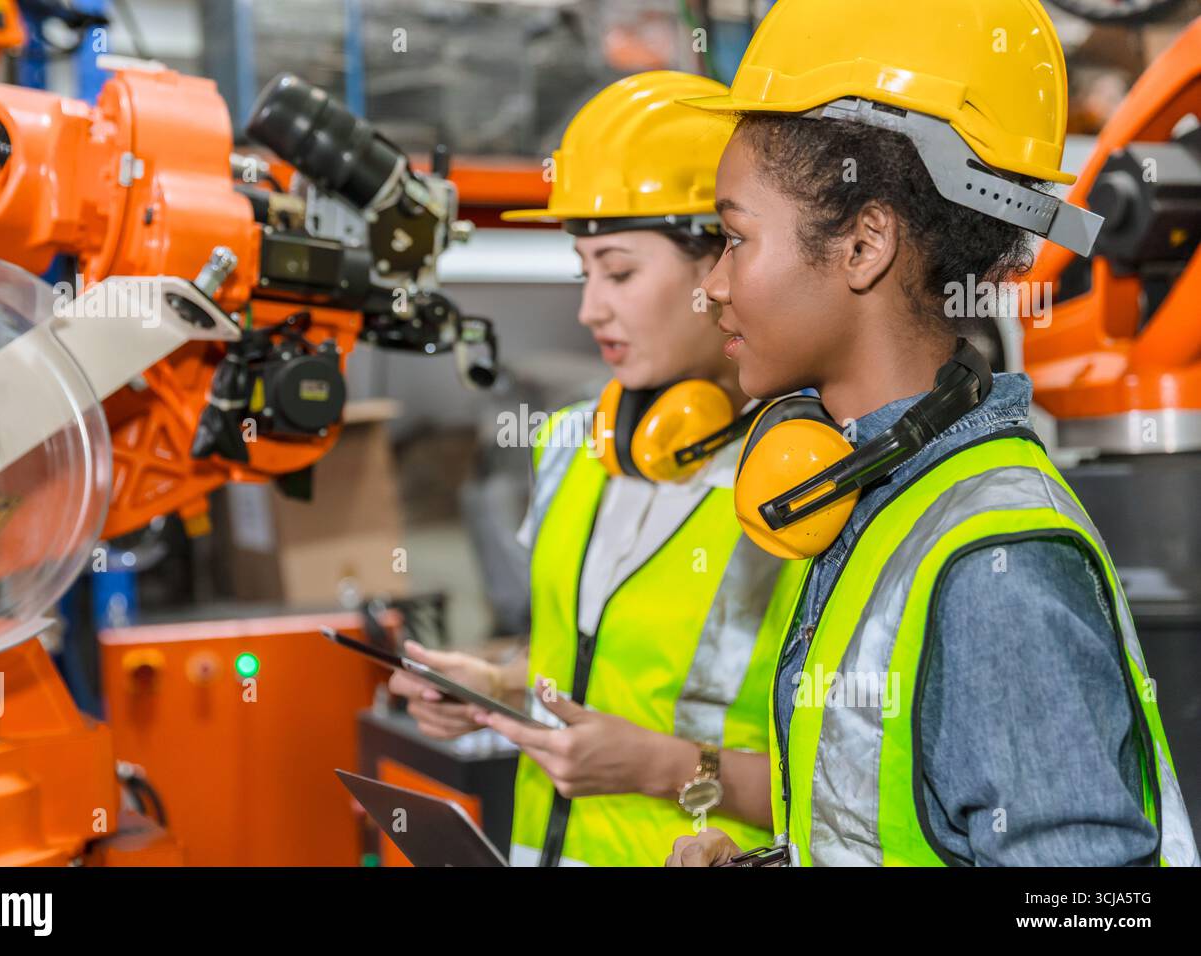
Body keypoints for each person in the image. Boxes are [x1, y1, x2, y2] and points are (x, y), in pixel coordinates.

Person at [666, 0, 1197, 867]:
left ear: (865, 244)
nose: (716, 283)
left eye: (733, 238)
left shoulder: (996, 568)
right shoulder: (875, 494)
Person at [388, 71, 804, 867]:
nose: (589, 308)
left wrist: (666, 769)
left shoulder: (803, 483)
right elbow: (579, 656)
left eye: (618, 271)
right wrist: (499, 686)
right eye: (584, 271)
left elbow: (857, 794)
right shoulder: (574, 442)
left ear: (721, 263)